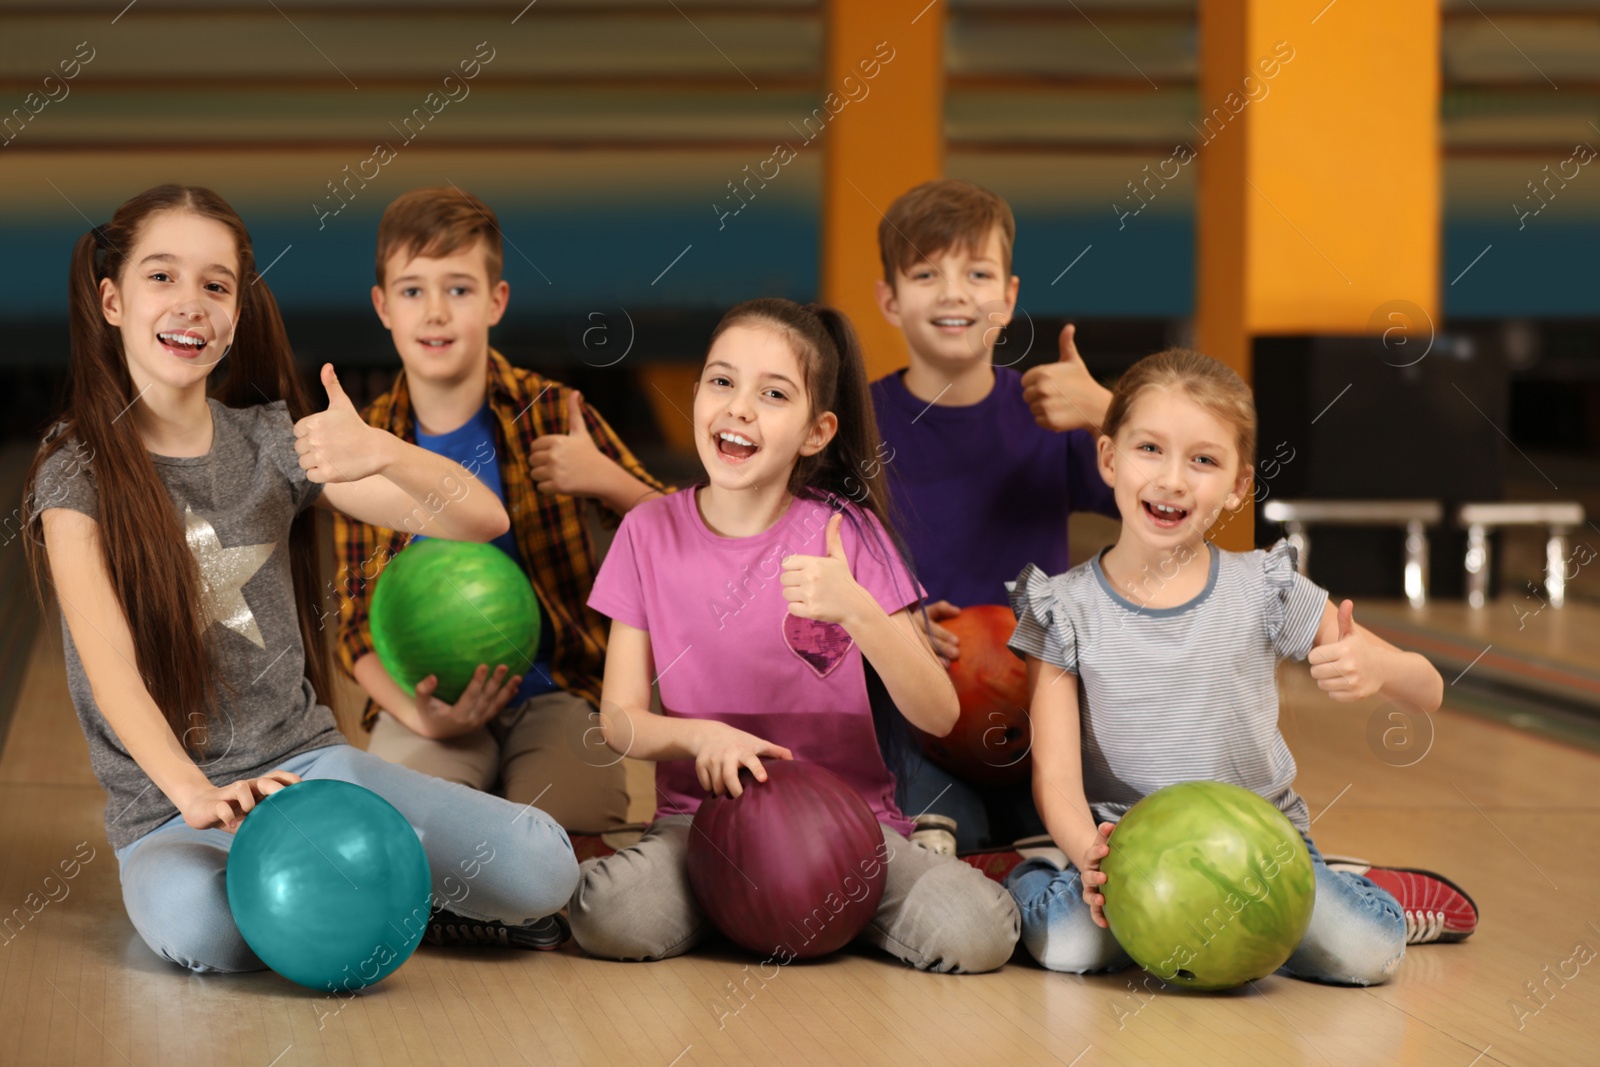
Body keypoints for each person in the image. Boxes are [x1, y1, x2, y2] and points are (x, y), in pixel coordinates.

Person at [23, 184, 578, 973]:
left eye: (216, 285)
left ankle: (383, 891)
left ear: (236, 316)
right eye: (162, 277)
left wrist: (386, 450)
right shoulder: (74, 467)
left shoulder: (272, 443)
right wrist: (194, 793)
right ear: (112, 300)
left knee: (543, 871)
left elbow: (480, 519)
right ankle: (396, 894)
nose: (191, 303)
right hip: (172, 812)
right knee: (209, 931)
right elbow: (109, 666)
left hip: (315, 772)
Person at [567, 298, 1020, 971]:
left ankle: (805, 896)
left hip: (852, 827)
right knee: (608, 916)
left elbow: (939, 711)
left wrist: (859, 610)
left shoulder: (849, 533)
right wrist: (700, 735)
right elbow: (620, 720)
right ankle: (755, 905)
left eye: (773, 394)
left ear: (816, 432)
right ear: (696, 395)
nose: (740, 407)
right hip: (702, 824)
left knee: (978, 932)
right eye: (722, 382)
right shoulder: (646, 532)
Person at [1003, 348, 1478, 986]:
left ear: (1238, 485)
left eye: (1203, 460)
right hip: (1126, 845)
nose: (1173, 479)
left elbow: (1430, 690)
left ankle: (1358, 886)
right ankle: (1032, 868)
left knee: (1368, 953)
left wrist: (1377, 667)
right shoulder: (1062, 607)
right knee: (1067, 947)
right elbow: (1056, 776)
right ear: (1109, 458)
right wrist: (1086, 851)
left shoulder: (1264, 588)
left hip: (1264, 846)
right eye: (1150, 449)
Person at [331, 187, 669, 860]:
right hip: (428, 699)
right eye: (412, 290)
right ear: (382, 308)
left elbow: (686, 531)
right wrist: (414, 712)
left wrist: (606, 478)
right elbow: (351, 621)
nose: (434, 311)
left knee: (563, 840)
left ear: (496, 300)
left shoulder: (553, 414)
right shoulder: (369, 441)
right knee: (405, 841)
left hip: (557, 690)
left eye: (458, 289)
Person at [867, 178, 1119, 852]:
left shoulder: (1054, 415)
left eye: (977, 273)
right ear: (889, 299)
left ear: (1008, 298)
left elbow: (1174, 504)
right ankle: (930, 829)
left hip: (1038, 706)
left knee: (1054, 835)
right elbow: (807, 556)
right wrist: (889, 617)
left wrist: (1108, 413)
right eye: (927, 273)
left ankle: (1032, 843)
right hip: (914, 706)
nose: (954, 292)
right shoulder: (857, 426)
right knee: (952, 833)